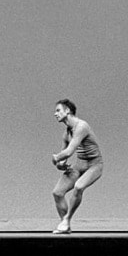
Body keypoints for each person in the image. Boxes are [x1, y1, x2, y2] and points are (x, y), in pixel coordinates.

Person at [50, 99, 103, 234]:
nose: (55, 114)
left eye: (58, 110)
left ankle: (67, 219)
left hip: (94, 165)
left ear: (67, 110)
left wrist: (56, 158)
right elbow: (64, 157)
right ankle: (65, 225)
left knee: (79, 186)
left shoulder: (81, 126)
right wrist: (60, 165)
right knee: (57, 193)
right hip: (80, 164)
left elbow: (68, 152)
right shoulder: (66, 133)